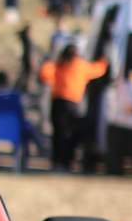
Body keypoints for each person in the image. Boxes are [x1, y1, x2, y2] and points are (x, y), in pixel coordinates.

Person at [38, 42, 108, 170]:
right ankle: (67, 160)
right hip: (74, 104)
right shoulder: (81, 66)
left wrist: (50, 60)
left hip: (58, 102)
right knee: (72, 133)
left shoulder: (59, 65)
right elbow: (99, 69)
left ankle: (57, 161)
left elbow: (44, 73)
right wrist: (105, 60)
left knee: (58, 133)